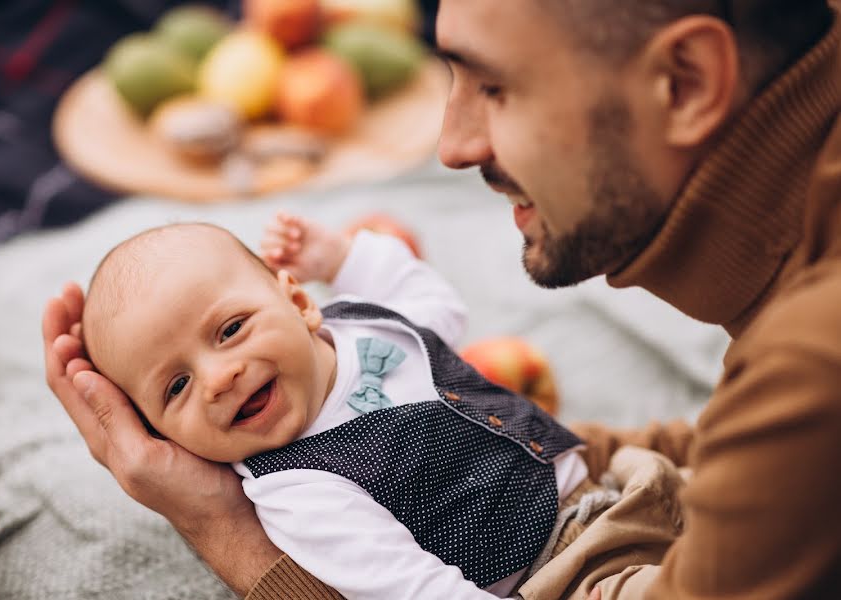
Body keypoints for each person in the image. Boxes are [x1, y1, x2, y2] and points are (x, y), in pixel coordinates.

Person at [44, 0, 841, 598]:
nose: (451, 146)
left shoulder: (814, 363)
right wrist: (571, 452)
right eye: (175, 384)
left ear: (687, 80)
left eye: (495, 86)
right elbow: (746, 463)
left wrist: (220, 526)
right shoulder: (790, 348)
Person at [75, 213, 599, 599]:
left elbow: (439, 307)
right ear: (166, 435)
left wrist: (345, 258)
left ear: (300, 303)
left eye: (231, 330)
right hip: (554, 573)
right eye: (176, 387)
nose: (217, 378)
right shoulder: (295, 489)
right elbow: (406, 587)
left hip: (598, 481)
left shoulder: (363, 325)